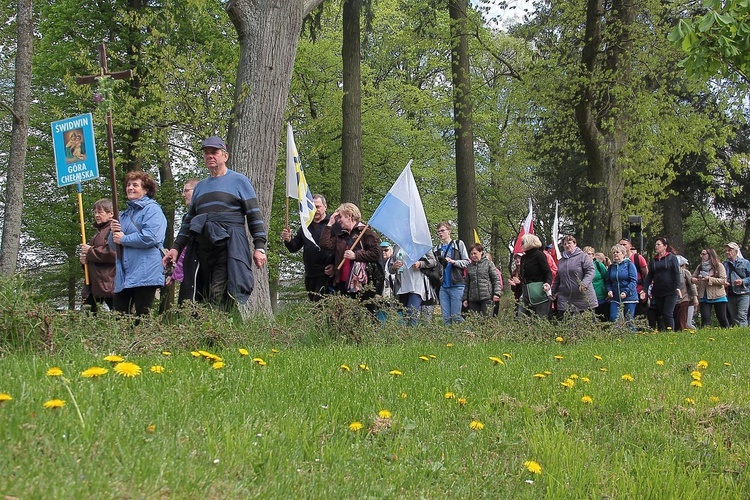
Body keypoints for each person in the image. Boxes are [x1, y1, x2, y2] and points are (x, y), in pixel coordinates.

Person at [162, 136, 267, 309]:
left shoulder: (240, 181)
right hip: (203, 247)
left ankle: (218, 331)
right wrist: (175, 248)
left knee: (218, 292)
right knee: (202, 293)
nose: (210, 156)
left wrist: (260, 247)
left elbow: (254, 215)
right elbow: (188, 222)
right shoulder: (201, 187)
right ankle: (210, 331)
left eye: (214, 152)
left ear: (225, 156)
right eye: (206, 153)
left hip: (229, 244)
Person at [109, 171, 167, 316]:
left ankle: (145, 339)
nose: (130, 188)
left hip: (146, 271)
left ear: (146, 190)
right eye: (128, 185)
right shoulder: (124, 215)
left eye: (135, 185)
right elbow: (112, 246)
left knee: (143, 315)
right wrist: (112, 234)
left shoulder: (153, 210)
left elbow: (151, 237)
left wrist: (123, 239)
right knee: (119, 316)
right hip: (125, 274)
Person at [319, 202, 381, 308]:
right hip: (342, 284)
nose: (339, 220)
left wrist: (356, 255)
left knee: (364, 317)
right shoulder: (341, 236)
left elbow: (376, 254)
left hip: (362, 284)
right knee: (344, 319)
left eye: (341, 217)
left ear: (349, 216)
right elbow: (324, 244)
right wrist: (329, 224)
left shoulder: (366, 232)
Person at [281, 194, 334, 301]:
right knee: (314, 305)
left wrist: (335, 265)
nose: (316, 210)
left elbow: (340, 248)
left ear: (325, 207)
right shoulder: (305, 226)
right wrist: (288, 240)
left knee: (322, 305)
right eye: (312, 207)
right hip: (310, 274)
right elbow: (294, 247)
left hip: (326, 274)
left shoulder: (332, 225)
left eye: (318, 207)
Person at [80, 198, 116, 313]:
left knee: (120, 317)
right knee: (87, 317)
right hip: (94, 284)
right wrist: (84, 261)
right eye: (95, 212)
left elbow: (112, 253)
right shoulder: (98, 234)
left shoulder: (113, 230)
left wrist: (90, 251)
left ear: (111, 213)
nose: (97, 215)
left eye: (100, 212)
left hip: (109, 283)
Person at [389, 245, 438, 326]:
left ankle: (412, 334)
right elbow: (390, 268)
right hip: (402, 285)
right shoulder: (397, 246)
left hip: (417, 284)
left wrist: (420, 263)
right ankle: (409, 335)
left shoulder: (421, 243)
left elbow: (433, 261)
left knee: (411, 311)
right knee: (404, 314)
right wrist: (394, 267)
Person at [434, 222, 470, 325]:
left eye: (442, 230)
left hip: (457, 284)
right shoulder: (437, 249)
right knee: (446, 318)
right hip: (443, 286)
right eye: (438, 231)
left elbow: (467, 262)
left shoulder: (458, 244)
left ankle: (469, 333)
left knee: (456, 316)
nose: (440, 233)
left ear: (449, 231)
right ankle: (449, 339)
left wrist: (454, 262)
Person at [552, 236, 598, 316]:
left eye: (569, 243)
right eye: (564, 244)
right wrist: (552, 292)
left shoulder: (583, 257)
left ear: (575, 244)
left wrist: (584, 283)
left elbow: (590, 271)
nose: (567, 245)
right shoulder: (561, 261)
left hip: (583, 298)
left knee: (586, 325)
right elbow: (558, 278)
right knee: (565, 324)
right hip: (566, 299)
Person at [167, 178, 199, 288]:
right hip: (187, 270)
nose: (183, 195)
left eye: (186, 190)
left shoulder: (202, 216)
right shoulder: (187, 217)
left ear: (197, 191)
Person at [643, 237, 681, 330]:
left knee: (668, 313)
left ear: (665, 246)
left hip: (670, 290)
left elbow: (676, 273)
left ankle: (671, 333)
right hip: (658, 291)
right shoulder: (653, 261)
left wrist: (678, 287)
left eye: (658, 244)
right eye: (655, 245)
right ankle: (664, 331)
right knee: (662, 313)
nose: (656, 246)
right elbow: (649, 277)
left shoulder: (672, 258)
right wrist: (644, 290)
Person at [691, 247, 729, 328]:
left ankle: (727, 333)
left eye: (704, 254)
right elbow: (693, 277)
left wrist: (710, 279)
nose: (702, 256)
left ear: (710, 255)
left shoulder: (719, 266)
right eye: (701, 254)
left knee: (722, 318)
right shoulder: (700, 267)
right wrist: (693, 279)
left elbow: (723, 280)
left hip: (718, 296)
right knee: (705, 319)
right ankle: (705, 335)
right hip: (703, 296)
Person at [462, 244, 502, 317]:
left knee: (487, 321)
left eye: (475, 253)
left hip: (487, 298)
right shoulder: (469, 267)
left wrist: (497, 293)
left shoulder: (489, 264)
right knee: (475, 322)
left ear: (481, 252)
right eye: (471, 254)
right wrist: (465, 299)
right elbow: (467, 284)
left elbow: (496, 280)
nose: (473, 256)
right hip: (473, 299)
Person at [518, 234, 553, 318]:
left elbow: (548, 272)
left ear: (529, 243)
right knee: (521, 317)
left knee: (540, 318)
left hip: (539, 291)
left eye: (522, 243)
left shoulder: (539, 255)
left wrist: (547, 283)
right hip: (525, 291)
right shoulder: (523, 258)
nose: (520, 245)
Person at [605, 244, 638, 327]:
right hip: (615, 297)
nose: (615, 254)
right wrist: (609, 290)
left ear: (623, 254)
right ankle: (618, 336)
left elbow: (633, 281)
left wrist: (626, 292)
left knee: (629, 320)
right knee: (613, 318)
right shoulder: (611, 267)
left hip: (629, 297)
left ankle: (632, 337)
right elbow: (608, 281)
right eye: (613, 252)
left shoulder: (629, 265)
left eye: (617, 252)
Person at [723, 242, 750, 327]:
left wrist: (742, 281)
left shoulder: (745, 263)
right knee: (734, 317)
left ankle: (743, 335)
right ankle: (738, 336)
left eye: (730, 250)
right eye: (726, 250)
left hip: (743, 293)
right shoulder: (724, 264)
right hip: (730, 294)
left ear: (736, 251)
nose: (727, 252)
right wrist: (724, 283)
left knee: (742, 315)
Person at [620, 238, 649, 316]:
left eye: (624, 244)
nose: (622, 246)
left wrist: (645, 289)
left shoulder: (637, 258)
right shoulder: (618, 261)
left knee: (639, 314)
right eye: (621, 245)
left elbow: (646, 274)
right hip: (623, 292)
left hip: (638, 290)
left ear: (630, 246)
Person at [583, 246, 609, 320]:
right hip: (587, 298)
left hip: (600, 296)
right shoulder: (581, 266)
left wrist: (607, 292)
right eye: (586, 254)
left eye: (590, 254)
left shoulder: (598, 265)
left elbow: (606, 278)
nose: (588, 256)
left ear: (593, 255)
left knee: (601, 318)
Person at [674, 255, 698, 330]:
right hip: (673, 300)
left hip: (684, 299)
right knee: (675, 320)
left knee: (683, 321)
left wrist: (695, 297)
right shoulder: (671, 273)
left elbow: (692, 285)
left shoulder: (685, 272)